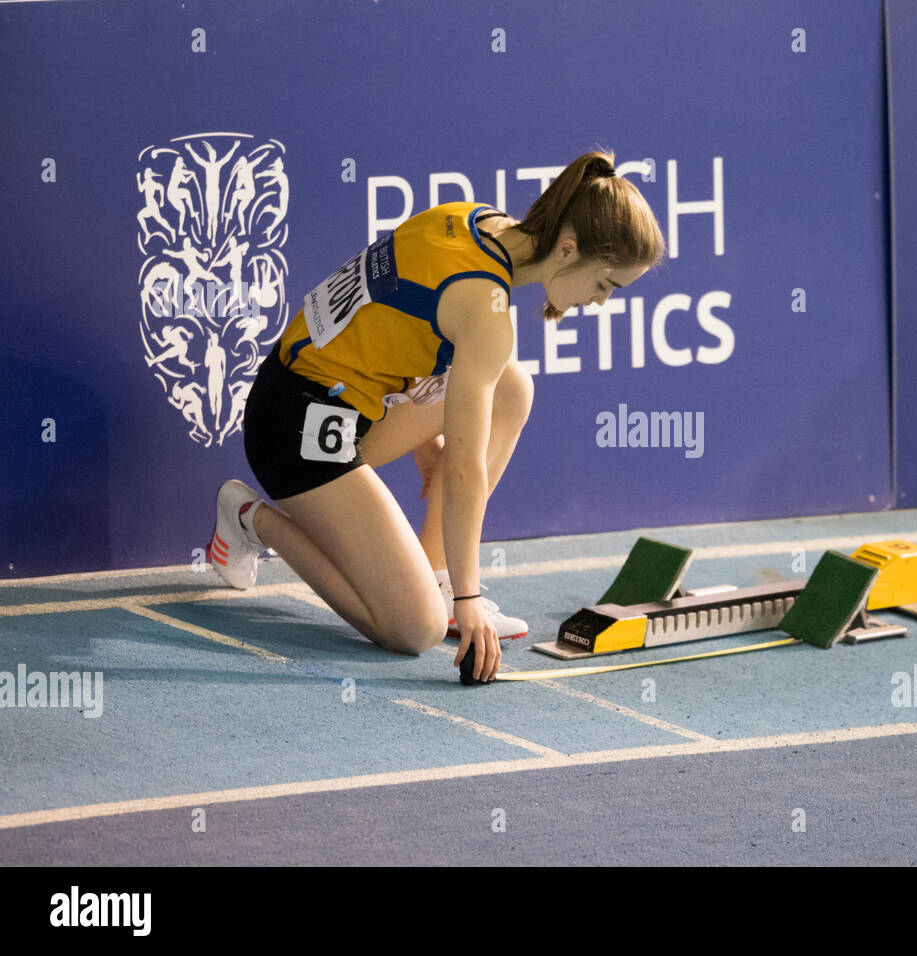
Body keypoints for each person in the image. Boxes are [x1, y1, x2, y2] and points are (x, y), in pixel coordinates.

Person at [206, 150, 665, 682]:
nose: (601, 301)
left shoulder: (474, 218)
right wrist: (472, 599)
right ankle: (250, 518)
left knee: (511, 387)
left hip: (306, 390)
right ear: (568, 249)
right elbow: (466, 470)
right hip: (295, 433)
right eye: (606, 285)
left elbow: (390, 321)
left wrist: (426, 444)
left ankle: (437, 576)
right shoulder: (486, 313)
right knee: (413, 630)